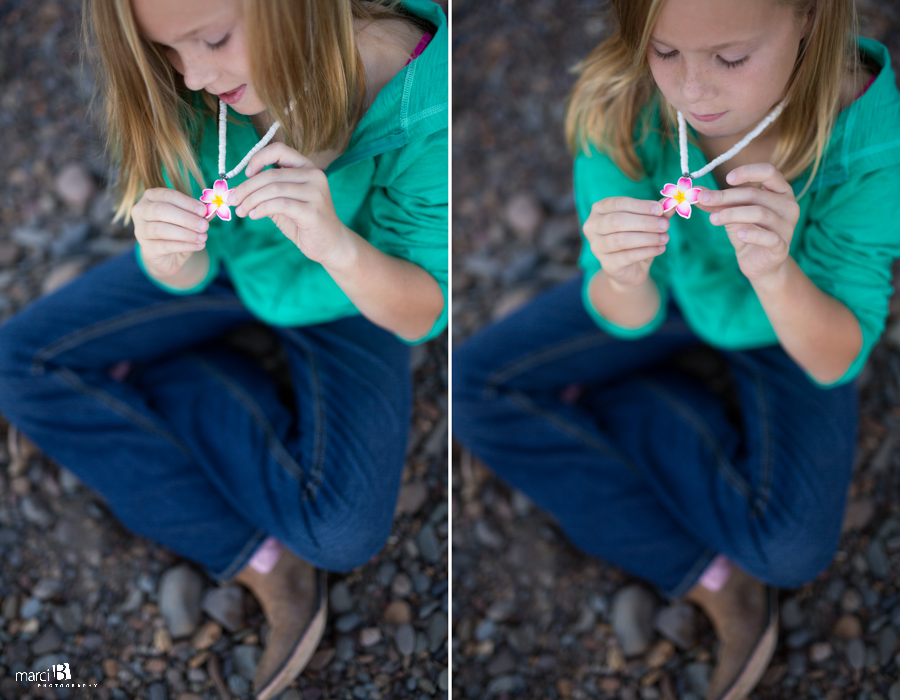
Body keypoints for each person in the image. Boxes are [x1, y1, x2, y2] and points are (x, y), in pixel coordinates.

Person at [0, 0, 447, 697]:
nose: (198, 75)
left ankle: (182, 384)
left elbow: (421, 312)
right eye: (171, 51)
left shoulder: (427, 105)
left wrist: (336, 246)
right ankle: (256, 557)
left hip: (348, 293)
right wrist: (164, 252)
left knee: (343, 534)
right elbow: (186, 269)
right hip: (236, 267)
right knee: (18, 363)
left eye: (213, 38)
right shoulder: (170, 83)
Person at [453, 0, 900, 698]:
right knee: (472, 387)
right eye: (665, 52)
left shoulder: (868, 142)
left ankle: (633, 404)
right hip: (670, 295)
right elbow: (623, 314)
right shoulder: (621, 104)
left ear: (810, 17)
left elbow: (834, 358)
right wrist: (620, 274)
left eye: (730, 58)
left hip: (789, 324)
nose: (694, 90)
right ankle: (704, 573)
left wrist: (778, 272)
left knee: (789, 553)